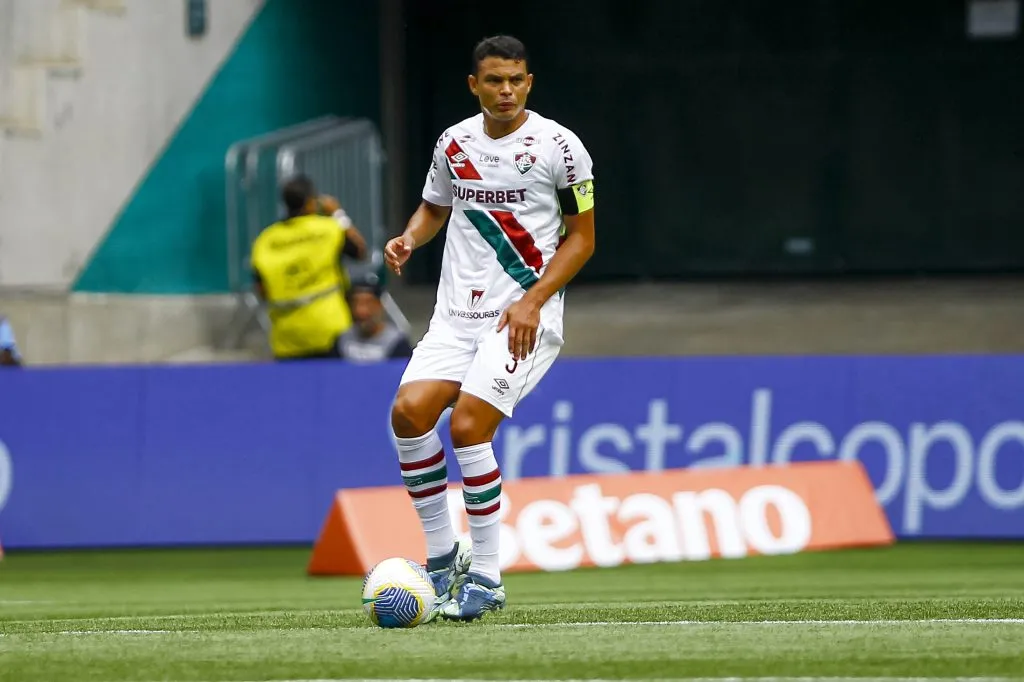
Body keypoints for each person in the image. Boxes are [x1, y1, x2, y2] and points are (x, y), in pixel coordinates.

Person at [384, 35, 596, 621]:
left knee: (471, 427)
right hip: (455, 314)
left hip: (522, 314)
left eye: (517, 80)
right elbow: (435, 206)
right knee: (407, 415)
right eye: (495, 81)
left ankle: (487, 577)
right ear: (474, 85)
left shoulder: (561, 147)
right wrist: (409, 236)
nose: (506, 90)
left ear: (530, 82)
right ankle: (440, 558)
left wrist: (533, 301)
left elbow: (583, 237)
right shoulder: (453, 143)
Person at [251, 175, 368, 361]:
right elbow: (360, 251)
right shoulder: (328, 229)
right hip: (330, 328)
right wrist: (338, 214)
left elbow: (261, 288)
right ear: (311, 202)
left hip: (286, 335)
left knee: (293, 389)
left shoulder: (266, 239)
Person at [337, 275, 414, 362]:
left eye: (368, 303)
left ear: (379, 305)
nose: (361, 311)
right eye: (356, 303)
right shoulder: (343, 341)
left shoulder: (397, 343)